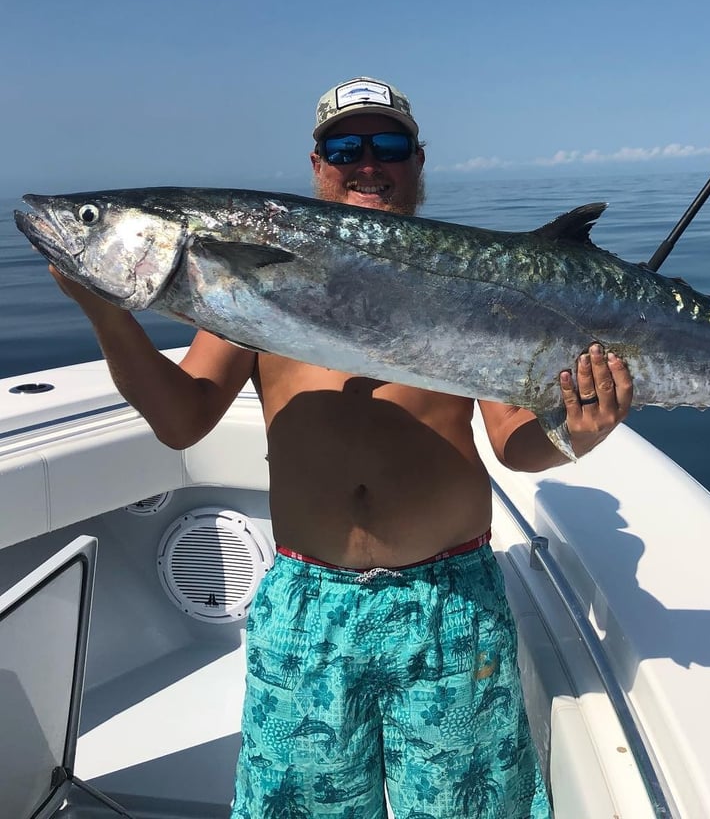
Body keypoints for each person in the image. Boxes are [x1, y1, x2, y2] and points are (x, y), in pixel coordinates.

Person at [49, 75, 634, 819]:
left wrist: (573, 435)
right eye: (344, 146)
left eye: (386, 145)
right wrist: (107, 315)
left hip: (447, 604)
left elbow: (515, 445)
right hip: (307, 606)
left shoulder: (471, 284)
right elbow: (183, 419)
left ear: (418, 162)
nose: (367, 163)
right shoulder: (248, 281)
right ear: (317, 163)